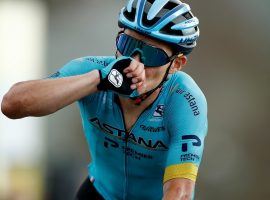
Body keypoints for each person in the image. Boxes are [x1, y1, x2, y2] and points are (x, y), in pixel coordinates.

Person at [1, 0, 208, 199]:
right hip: (99, 192)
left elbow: (179, 191)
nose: (134, 62)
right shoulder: (90, 70)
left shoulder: (184, 99)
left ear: (176, 64)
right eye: (127, 44)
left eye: (151, 55)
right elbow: (12, 104)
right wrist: (99, 80)